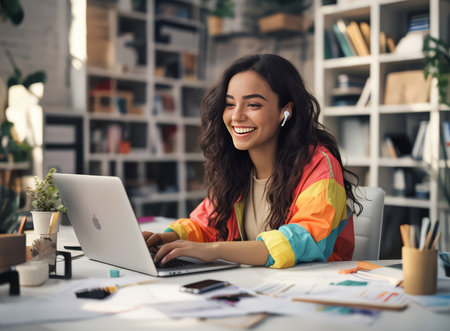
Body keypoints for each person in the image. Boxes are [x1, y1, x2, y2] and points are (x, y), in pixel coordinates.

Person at [143, 54, 362, 269]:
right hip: (257, 287)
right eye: (229, 104)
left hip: (312, 289)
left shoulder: (319, 165)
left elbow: (303, 240)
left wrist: (215, 250)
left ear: (285, 111)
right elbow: (206, 224)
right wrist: (165, 239)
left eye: (253, 105)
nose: (237, 116)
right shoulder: (237, 166)